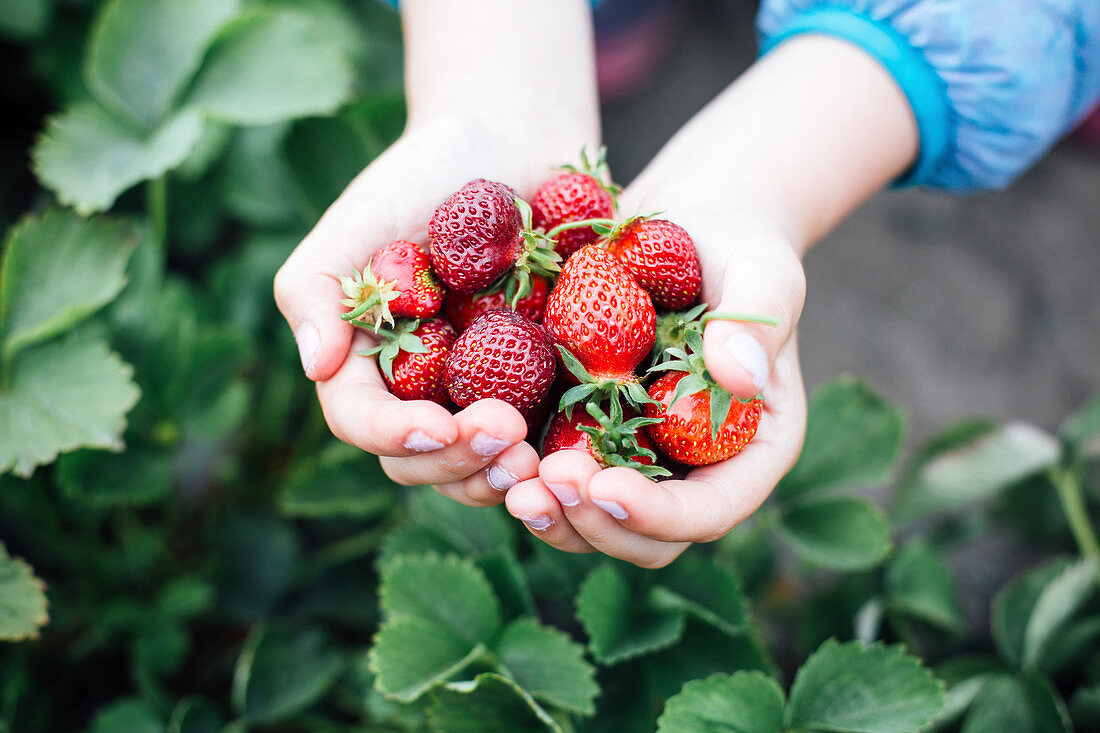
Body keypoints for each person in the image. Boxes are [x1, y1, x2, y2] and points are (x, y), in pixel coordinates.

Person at [273, 0, 1100, 568]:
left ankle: (1011, 50)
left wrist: (797, 151)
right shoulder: (572, 297)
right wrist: (496, 79)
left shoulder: (591, 308)